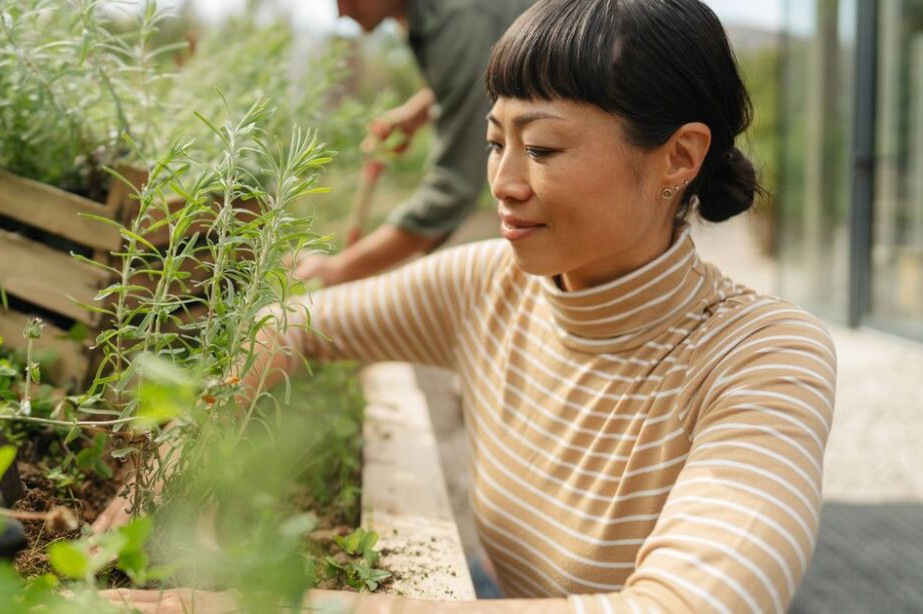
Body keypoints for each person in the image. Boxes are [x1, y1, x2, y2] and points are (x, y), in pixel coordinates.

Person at [101, 0, 837, 610]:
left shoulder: (765, 355)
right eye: (494, 142)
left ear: (679, 157)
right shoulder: (487, 284)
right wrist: (180, 485)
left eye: (543, 150)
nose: (505, 182)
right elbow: (285, 324)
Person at [293, 0, 533, 287]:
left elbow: (453, 187)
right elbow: (481, 73)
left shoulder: (459, 18)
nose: (341, 12)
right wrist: (415, 116)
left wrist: (341, 268)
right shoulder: (436, 16)